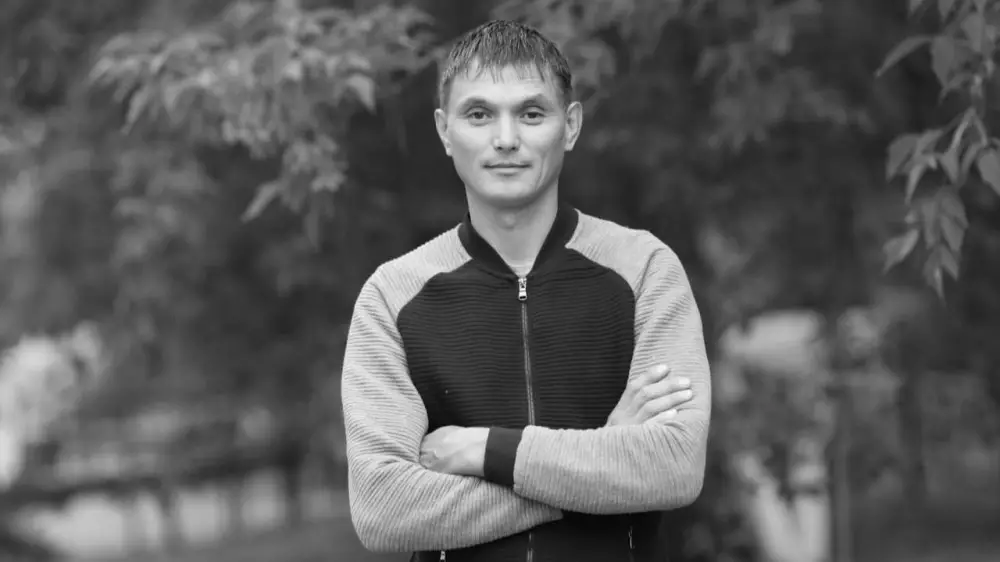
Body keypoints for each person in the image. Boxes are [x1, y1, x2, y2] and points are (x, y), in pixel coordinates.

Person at [341, 19, 711, 562]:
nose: (506, 139)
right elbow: (384, 509)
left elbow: (673, 465)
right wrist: (600, 467)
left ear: (570, 125)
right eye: (479, 114)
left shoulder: (646, 270)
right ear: (445, 131)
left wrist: (482, 449)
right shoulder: (392, 297)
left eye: (531, 113)